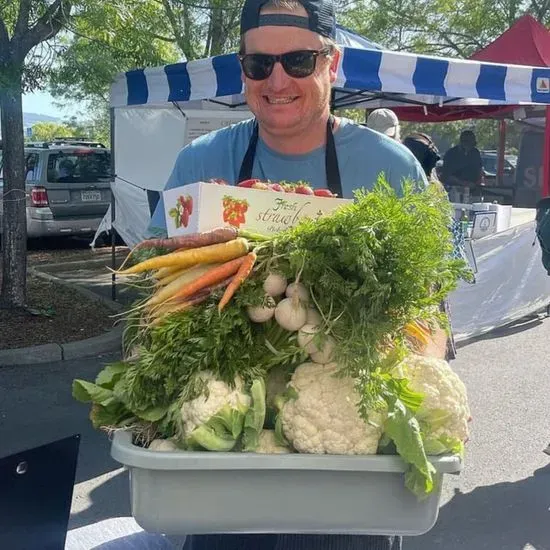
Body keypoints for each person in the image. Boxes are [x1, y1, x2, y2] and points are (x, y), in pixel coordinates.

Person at [142, 1, 426, 549]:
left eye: (298, 60)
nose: (277, 80)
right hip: (229, 468)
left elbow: (430, 306)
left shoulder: (391, 167)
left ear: (332, 64)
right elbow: (160, 294)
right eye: (258, 64)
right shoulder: (200, 164)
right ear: (242, 69)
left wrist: (423, 383)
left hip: (350, 470)